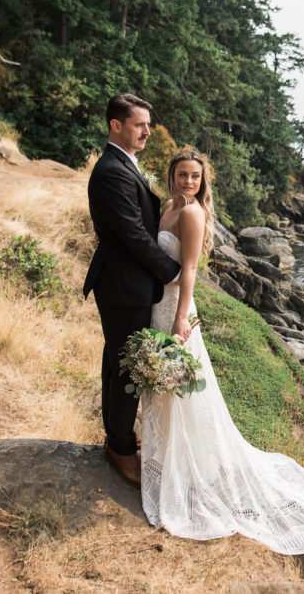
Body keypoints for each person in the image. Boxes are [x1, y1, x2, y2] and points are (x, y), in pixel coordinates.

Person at [139, 148, 304, 554]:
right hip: (155, 306)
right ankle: (166, 461)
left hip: (175, 310)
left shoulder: (191, 214)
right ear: (171, 176)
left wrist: (181, 319)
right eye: (182, 174)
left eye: (194, 177)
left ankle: (188, 473)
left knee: (182, 392)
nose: (188, 182)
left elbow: (189, 271)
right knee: (162, 388)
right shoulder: (168, 206)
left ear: (203, 182)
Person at [83, 94, 181, 488]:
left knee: (117, 361)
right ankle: (121, 449)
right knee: (127, 366)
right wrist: (174, 273)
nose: (146, 131)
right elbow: (134, 236)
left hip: (127, 282)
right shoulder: (111, 171)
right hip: (124, 284)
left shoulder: (124, 164)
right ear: (115, 125)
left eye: (147, 124)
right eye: (139, 124)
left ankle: (117, 435)